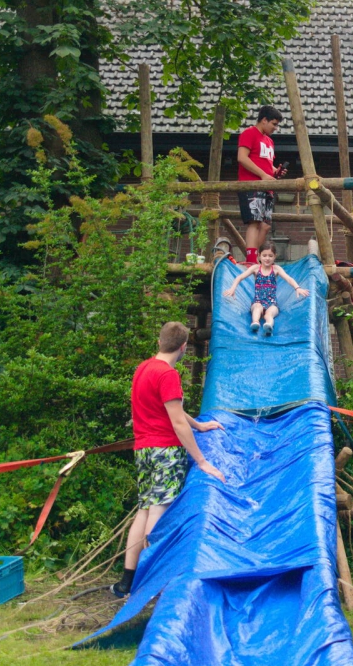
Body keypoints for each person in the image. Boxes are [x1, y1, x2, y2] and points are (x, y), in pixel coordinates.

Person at [111, 322, 226, 598]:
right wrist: (201, 461)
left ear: (161, 341)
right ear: (183, 346)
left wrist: (199, 425)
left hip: (144, 451)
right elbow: (176, 420)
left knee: (144, 510)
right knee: (159, 515)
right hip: (165, 450)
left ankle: (126, 582)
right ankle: (154, 584)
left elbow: (171, 410)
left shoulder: (144, 368)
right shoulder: (168, 375)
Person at [223, 241, 309, 335]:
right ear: (259, 256)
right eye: (264, 255)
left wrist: (297, 288)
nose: (267, 258)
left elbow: (288, 278)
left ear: (275, 256)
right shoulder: (255, 268)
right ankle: (255, 323)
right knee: (257, 308)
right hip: (257, 301)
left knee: (269, 314)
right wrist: (232, 289)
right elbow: (240, 277)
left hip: (272, 303)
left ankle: (268, 326)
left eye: (270, 256)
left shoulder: (276, 269)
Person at [237, 105, 287, 265]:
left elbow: (266, 163)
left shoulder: (269, 141)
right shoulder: (249, 133)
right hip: (251, 185)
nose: (275, 128)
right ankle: (251, 260)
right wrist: (263, 175)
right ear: (264, 120)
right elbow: (242, 158)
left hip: (267, 187)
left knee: (265, 226)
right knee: (254, 221)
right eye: (274, 123)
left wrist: (275, 171)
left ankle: (255, 258)